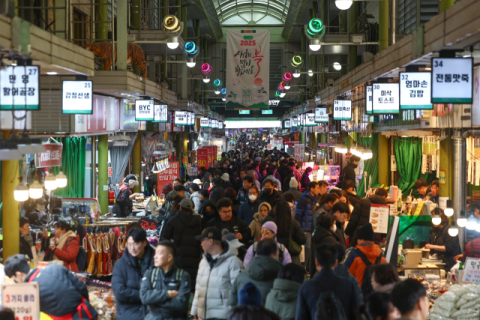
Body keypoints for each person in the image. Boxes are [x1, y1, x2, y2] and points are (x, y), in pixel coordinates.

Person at [4, 254, 97, 320]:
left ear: (18, 274)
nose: (16, 283)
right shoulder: (54, 268)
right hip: (89, 312)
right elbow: (82, 288)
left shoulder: (31, 291)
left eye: (14, 279)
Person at [296, 244, 360, 320]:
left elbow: (301, 317)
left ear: (316, 262)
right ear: (336, 263)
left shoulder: (306, 287)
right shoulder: (349, 285)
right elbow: (357, 315)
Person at [191, 227, 244, 320]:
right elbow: (198, 289)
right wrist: (194, 312)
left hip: (223, 317)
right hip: (202, 316)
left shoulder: (233, 262)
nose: (201, 244)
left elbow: (239, 291)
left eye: (203, 240)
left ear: (210, 241)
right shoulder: (203, 262)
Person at [140, 240, 191, 320]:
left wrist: (154, 298)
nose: (154, 256)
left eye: (159, 253)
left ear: (169, 257)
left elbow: (181, 304)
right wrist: (167, 294)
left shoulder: (183, 276)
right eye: (155, 253)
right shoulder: (149, 274)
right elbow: (144, 297)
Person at [112, 228, 155, 320]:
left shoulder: (156, 262)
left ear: (144, 243)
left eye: (136, 244)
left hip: (152, 312)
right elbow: (119, 292)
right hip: (128, 314)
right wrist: (147, 295)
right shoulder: (120, 265)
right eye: (129, 244)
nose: (132, 248)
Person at [161, 198, 202, 290]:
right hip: (194, 256)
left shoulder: (173, 219)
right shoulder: (198, 221)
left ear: (180, 207)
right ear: (192, 209)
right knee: (191, 281)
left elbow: (164, 238)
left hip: (178, 255)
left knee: (178, 282)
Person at [230, 239, 283, 307]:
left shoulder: (241, 276)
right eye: (278, 253)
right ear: (273, 255)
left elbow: (233, 302)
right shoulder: (280, 279)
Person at [345, 223, 386, 298]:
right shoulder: (380, 255)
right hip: (376, 296)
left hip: (358, 296)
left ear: (360, 239)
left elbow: (346, 276)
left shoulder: (354, 255)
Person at [294, 181, 320, 272]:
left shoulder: (315, 199)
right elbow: (298, 214)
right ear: (312, 189)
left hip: (312, 228)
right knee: (306, 248)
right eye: (317, 188)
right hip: (305, 228)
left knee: (309, 248)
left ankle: (305, 268)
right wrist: (298, 228)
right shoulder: (304, 199)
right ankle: (301, 267)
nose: (318, 190)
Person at [274, 201, 306, 266]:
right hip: (292, 255)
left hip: (277, 254)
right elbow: (302, 240)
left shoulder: (273, 224)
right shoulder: (294, 223)